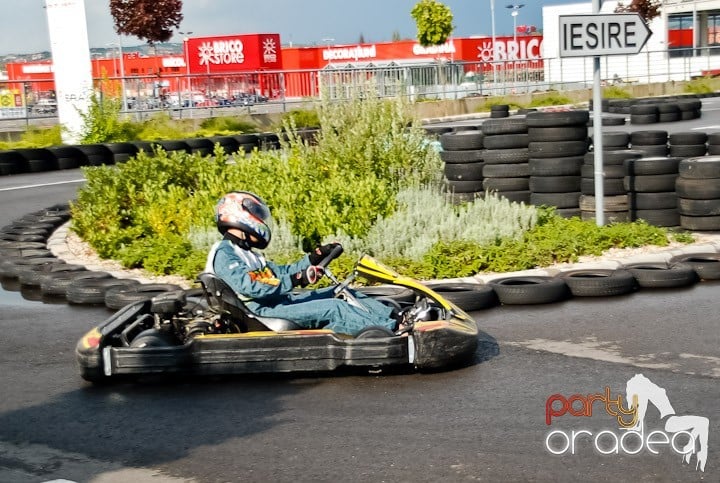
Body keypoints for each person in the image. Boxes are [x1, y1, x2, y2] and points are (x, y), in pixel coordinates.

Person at [205, 191, 405, 337]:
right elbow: (251, 288)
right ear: (238, 215)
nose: (260, 219)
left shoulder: (248, 254)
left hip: (279, 302)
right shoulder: (225, 254)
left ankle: (397, 317)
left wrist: (315, 257)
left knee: (338, 291)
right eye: (256, 213)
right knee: (334, 308)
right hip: (263, 311)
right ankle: (390, 332)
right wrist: (296, 279)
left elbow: (282, 272)